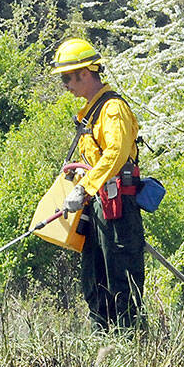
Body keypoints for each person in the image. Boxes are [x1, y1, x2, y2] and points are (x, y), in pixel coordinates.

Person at [52, 38, 145, 328]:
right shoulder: (91, 112)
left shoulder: (112, 109)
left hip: (117, 208)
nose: (65, 85)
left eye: (68, 78)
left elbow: (116, 153)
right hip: (97, 208)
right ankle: (101, 344)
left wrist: (84, 188)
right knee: (94, 280)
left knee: (122, 283)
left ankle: (132, 347)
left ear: (85, 73)